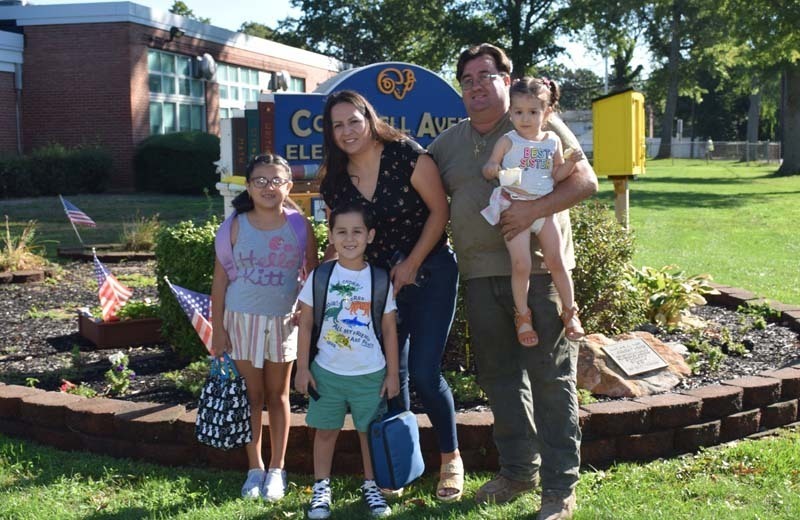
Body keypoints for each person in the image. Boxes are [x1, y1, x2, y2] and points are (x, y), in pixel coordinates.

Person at [427, 44, 598, 520]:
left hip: (540, 274)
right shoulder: (449, 143)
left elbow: (585, 181)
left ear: (507, 79)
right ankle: (519, 471)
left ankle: (561, 487)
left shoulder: (536, 122)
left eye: (486, 76)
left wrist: (531, 210)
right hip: (479, 277)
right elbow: (414, 182)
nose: (477, 86)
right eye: (467, 79)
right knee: (500, 379)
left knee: (550, 378)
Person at [318, 90, 464, 501]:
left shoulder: (405, 154)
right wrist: (320, 288)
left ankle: (450, 458)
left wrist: (414, 262)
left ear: (369, 118)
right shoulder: (335, 178)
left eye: (354, 121)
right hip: (377, 288)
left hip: (431, 272)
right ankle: (401, 462)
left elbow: (441, 211)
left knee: (423, 372)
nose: (347, 131)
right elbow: (340, 239)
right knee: (391, 379)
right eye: (337, 124)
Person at [210, 153, 318, 501]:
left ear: (288, 185)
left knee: (279, 396)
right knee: (251, 397)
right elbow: (219, 283)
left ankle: (277, 469)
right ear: (249, 185)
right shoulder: (235, 225)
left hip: (284, 323)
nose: (268, 187)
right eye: (260, 180)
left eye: (276, 180)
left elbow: (313, 278)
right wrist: (217, 330)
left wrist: (305, 311)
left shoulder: (299, 226)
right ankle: (254, 467)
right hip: (241, 321)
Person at [294, 203, 400, 519]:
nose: (349, 238)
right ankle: (321, 489)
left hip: (371, 373)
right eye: (341, 231)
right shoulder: (320, 276)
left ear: (370, 235)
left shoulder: (380, 279)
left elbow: (390, 329)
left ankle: (372, 485)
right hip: (326, 372)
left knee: (369, 432)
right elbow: (307, 324)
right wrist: (302, 368)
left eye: (357, 231)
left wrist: (393, 373)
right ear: (331, 236)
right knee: (325, 431)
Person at [481, 77, 585, 347]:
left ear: (547, 112)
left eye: (533, 112)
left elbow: (558, 174)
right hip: (514, 209)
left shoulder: (551, 142)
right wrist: (492, 169)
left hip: (544, 212)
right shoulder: (508, 141)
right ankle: (523, 316)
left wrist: (571, 164)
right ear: (510, 112)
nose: (525, 119)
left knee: (557, 261)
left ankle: (571, 312)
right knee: (521, 265)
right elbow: (489, 166)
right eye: (518, 112)